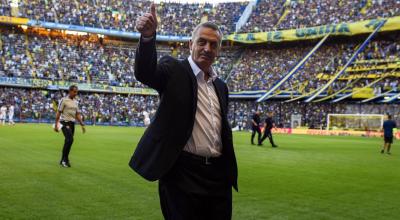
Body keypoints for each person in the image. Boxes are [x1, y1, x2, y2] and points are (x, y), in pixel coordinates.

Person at [129, 4, 238, 220]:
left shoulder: (221, 86)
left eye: (213, 44)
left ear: (219, 50)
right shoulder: (173, 69)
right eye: (202, 42)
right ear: (191, 44)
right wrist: (148, 38)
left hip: (217, 177)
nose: (207, 48)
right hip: (182, 175)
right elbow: (145, 72)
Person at [54, 85, 86, 168]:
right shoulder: (63, 100)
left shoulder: (76, 102)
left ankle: (62, 160)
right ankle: (65, 160)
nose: (76, 93)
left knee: (68, 141)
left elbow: (77, 114)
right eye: (74, 91)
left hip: (72, 123)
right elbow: (58, 112)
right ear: (70, 91)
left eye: (77, 92)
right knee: (70, 139)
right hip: (64, 122)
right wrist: (56, 124)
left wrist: (82, 124)